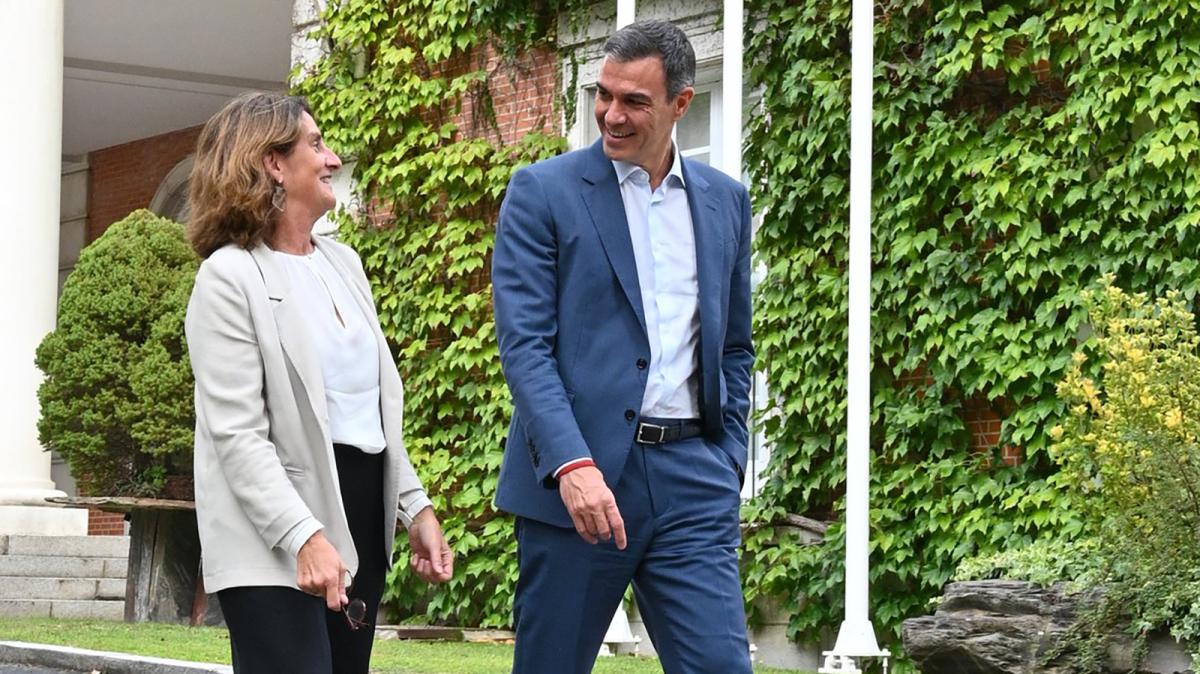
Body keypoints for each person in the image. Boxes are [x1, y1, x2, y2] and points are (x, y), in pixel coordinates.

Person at [491, 19, 755, 674]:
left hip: (694, 477)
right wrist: (571, 465)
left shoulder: (726, 203)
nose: (611, 114)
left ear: (680, 104)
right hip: (581, 480)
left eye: (634, 101)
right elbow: (526, 347)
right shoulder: (542, 193)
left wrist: (727, 460)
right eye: (604, 95)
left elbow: (733, 347)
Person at [184, 92, 454, 674]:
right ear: (272, 164)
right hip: (270, 533)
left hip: (360, 508)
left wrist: (417, 509)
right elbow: (236, 434)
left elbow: (368, 412)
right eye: (316, 144)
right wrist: (304, 534)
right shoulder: (228, 277)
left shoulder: (343, 263)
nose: (331, 159)